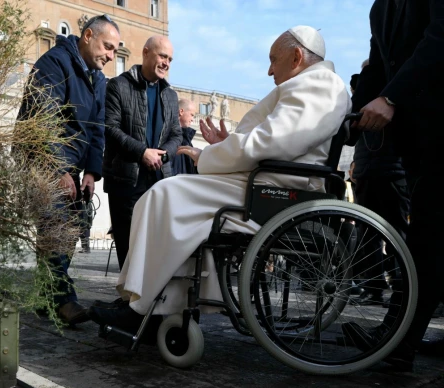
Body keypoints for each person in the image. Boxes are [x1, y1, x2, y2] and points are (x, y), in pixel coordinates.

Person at [88, 26, 351, 329]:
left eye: (273, 59)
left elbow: (270, 142)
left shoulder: (318, 85)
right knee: (170, 199)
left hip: (274, 187)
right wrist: (226, 145)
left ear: (296, 56)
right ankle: (156, 304)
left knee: (166, 195)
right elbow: (272, 140)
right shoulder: (313, 85)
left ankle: (141, 309)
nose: (269, 70)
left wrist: (209, 156)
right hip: (266, 180)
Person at [341, 1, 444, 368]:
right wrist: (350, 120)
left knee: (426, 238)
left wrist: (391, 98)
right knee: (428, 239)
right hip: (420, 139)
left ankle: (398, 340)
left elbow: (438, 40)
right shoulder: (380, 8)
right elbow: (380, 67)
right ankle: (400, 340)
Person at [17, 15, 121, 325]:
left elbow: (96, 128)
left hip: (73, 164)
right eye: (107, 47)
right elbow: (43, 119)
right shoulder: (54, 64)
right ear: (87, 36)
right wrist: (58, 168)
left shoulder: (98, 79)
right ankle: (64, 300)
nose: (112, 56)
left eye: (116, 50)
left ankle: (45, 297)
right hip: (43, 161)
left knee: (72, 228)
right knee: (55, 227)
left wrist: (91, 171)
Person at [102, 35, 183, 271]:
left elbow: (176, 135)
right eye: (162, 56)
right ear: (146, 53)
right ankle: (128, 300)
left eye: (170, 59)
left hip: (160, 181)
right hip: (126, 180)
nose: (166, 63)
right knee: (128, 247)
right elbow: (109, 128)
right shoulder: (118, 85)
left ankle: (147, 301)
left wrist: (161, 155)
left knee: (156, 246)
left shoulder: (170, 95)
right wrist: (142, 153)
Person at [350, 58, 410, 307]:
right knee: (367, 235)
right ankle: (374, 287)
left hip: (393, 172)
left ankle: (402, 289)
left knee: (399, 235)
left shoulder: (395, 97)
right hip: (366, 171)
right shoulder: (365, 102)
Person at [171, 98, 198, 175]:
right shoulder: (167, 135)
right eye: (191, 115)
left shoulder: (187, 139)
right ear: (181, 112)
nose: (192, 119)